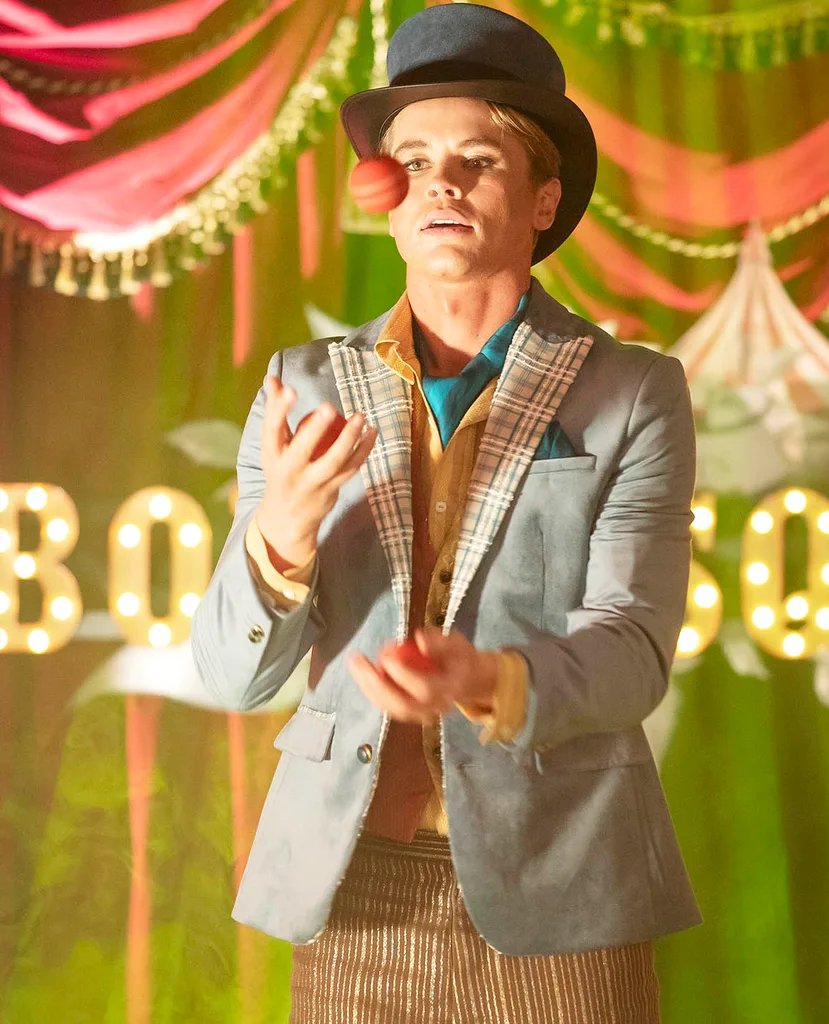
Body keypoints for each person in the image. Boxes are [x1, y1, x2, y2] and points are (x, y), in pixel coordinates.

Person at [191, 5, 701, 1022]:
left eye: (478, 160)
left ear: (544, 198)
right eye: (414, 162)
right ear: (386, 199)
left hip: (567, 882)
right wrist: (277, 540)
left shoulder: (633, 391)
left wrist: (488, 679)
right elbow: (230, 675)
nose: (442, 184)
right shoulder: (302, 386)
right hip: (354, 888)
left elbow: (634, 653)